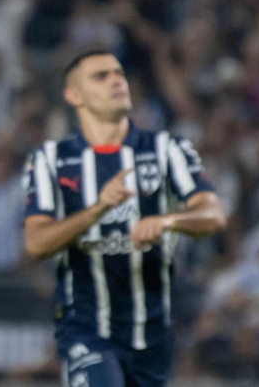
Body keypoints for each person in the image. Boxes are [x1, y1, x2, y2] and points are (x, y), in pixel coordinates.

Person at [22, 50, 227, 386]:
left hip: (153, 334)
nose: (116, 80)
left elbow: (213, 214)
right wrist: (98, 209)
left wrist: (167, 221)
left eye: (119, 73)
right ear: (74, 95)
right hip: (86, 327)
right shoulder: (50, 160)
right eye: (100, 76)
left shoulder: (167, 148)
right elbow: (36, 242)